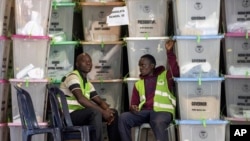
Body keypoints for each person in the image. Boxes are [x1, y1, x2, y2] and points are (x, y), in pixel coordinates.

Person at [118, 39, 179, 141]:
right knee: (123, 118)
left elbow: (176, 73)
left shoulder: (164, 76)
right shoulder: (138, 84)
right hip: (145, 112)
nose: (140, 68)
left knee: (158, 121)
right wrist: (133, 108)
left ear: (152, 66)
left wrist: (169, 52)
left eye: (143, 65)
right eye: (139, 66)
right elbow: (134, 104)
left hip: (162, 112)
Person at [60, 53, 120, 141]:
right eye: (85, 61)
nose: (89, 63)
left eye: (90, 61)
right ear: (77, 64)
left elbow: (100, 101)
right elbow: (81, 99)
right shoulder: (72, 77)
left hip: (81, 115)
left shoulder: (87, 83)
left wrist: (108, 112)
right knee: (95, 112)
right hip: (69, 116)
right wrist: (103, 112)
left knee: (113, 112)